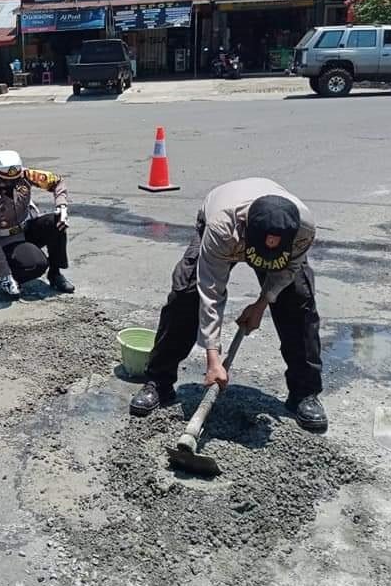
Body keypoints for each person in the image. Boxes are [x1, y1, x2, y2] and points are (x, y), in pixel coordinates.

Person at [128, 178, 327, 432]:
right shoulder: (223, 227)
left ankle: (304, 393)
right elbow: (211, 291)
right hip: (222, 221)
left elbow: (288, 270)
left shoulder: (303, 229)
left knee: (299, 300)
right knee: (186, 295)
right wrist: (213, 358)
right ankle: (159, 381)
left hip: (270, 231)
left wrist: (261, 304)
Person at [0, 150, 75, 298]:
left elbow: (57, 181)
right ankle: (14, 273)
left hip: (27, 227)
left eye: (14, 181)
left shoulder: (26, 175)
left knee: (55, 222)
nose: (10, 184)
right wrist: (5, 274)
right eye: (6, 181)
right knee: (38, 264)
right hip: (8, 241)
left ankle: (55, 274)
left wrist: (62, 207)